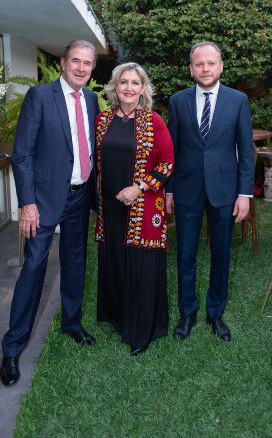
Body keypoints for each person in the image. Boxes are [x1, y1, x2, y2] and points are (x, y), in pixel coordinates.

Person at [0, 40, 100, 386]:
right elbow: (22, 154)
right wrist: (27, 203)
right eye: (76, 61)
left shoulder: (90, 99)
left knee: (75, 263)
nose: (82, 68)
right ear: (62, 62)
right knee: (34, 269)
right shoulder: (40, 97)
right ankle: (12, 348)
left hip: (80, 196)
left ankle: (71, 322)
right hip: (42, 201)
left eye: (88, 63)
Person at [165, 41, 254, 342]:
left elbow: (246, 149)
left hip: (225, 191)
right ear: (191, 68)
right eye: (199, 64)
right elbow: (172, 150)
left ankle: (216, 314)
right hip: (187, 190)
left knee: (221, 255)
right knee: (186, 255)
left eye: (211, 63)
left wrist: (245, 193)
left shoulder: (238, 100)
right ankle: (187, 313)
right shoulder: (178, 102)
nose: (205, 69)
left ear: (221, 66)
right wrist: (170, 190)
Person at [94, 62, 174, 356]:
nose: (128, 88)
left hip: (142, 207)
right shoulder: (102, 121)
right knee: (116, 260)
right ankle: (119, 318)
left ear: (143, 89)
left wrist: (139, 188)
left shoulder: (154, 121)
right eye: (123, 82)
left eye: (135, 83)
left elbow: (167, 163)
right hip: (110, 208)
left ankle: (143, 330)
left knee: (140, 266)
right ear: (115, 87)